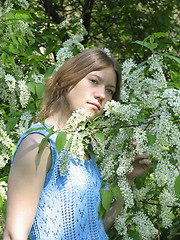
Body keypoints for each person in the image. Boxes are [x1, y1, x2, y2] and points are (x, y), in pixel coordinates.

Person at [3, 49, 151, 240]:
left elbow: (95, 230)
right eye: (94, 81)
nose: (102, 95)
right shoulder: (39, 143)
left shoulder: (84, 152)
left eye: (110, 90)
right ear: (67, 80)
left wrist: (127, 179)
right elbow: (14, 234)